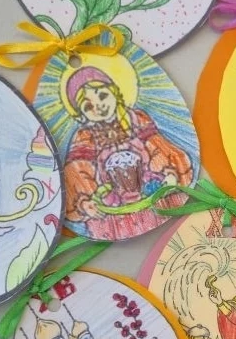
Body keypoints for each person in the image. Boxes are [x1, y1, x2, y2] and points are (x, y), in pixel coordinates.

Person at [63, 67, 192, 240]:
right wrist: (84, 202)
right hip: (114, 208)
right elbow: (78, 171)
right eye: (88, 106)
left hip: (151, 191)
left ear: (115, 93)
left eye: (102, 96)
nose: (99, 106)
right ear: (80, 113)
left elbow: (158, 148)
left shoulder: (137, 119)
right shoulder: (85, 136)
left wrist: (169, 173)